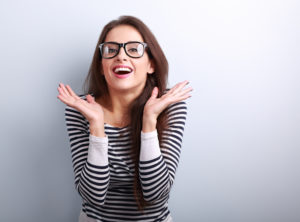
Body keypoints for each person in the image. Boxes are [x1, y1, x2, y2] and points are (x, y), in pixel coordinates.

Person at [57, 15, 192, 222]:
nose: (121, 56)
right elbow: (93, 197)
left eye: (134, 49)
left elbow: (156, 195)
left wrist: (149, 122)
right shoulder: (81, 108)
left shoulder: (169, 106)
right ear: (102, 65)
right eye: (111, 50)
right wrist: (96, 127)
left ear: (151, 64)